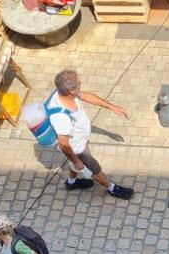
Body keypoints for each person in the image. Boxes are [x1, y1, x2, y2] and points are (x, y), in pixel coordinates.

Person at [44, 70, 134, 199]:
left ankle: (71, 183)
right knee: (94, 169)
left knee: (74, 165)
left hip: (80, 141)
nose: (81, 83)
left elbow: (85, 96)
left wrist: (112, 107)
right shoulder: (60, 116)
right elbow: (63, 143)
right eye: (79, 83)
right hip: (78, 149)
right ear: (70, 91)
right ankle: (112, 188)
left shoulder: (63, 93)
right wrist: (76, 160)